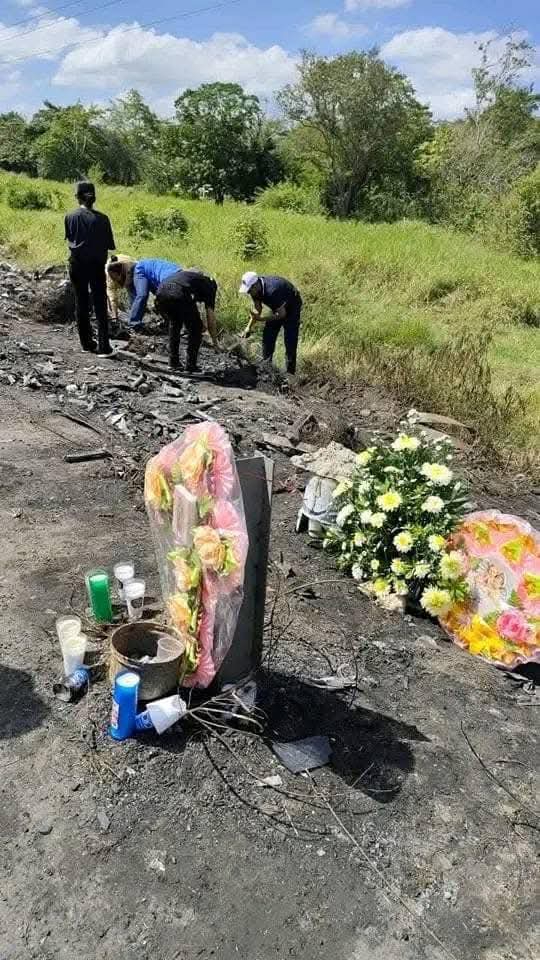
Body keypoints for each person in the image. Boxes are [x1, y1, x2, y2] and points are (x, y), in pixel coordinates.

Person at [64, 181, 115, 355]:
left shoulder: (70, 217)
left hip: (77, 264)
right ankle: (104, 346)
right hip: (96, 265)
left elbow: (70, 239)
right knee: (100, 303)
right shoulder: (103, 218)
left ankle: (86, 343)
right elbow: (109, 245)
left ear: (77, 197)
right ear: (94, 198)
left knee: (81, 301)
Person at [154, 269, 220, 372]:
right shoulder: (210, 286)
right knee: (195, 329)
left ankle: (173, 362)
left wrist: (198, 322)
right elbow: (210, 318)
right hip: (178, 293)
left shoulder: (190, 279)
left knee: (175, 323)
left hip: (160, 291)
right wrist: (215, 343)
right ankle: (191, 365)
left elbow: (191, 308)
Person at [239, 272, 303, 375]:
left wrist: (262, 319)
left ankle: (290, 374)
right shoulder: (255, 291)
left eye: (249, 290)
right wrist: (248, 328)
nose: (249, 293)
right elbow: (257, 310)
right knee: (268, 335)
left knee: (290, 340)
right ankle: (267, 367)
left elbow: (282, 314)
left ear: (255, 285)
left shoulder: (272, 290)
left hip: (292, 306)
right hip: (277, 306)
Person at [108, 258, 183, 330]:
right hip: (181, 276)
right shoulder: (146, 267)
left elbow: (142, 295)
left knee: (160, 303)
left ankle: (134, 323)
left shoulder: (139, 270)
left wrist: (133, 322)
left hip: (170, 280)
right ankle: (173, 324)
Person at [105, 254, 137, 321]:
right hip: (124, 275)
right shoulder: (110, 280)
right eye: (114, 278)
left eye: (117, 277)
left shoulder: (131, 265)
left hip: (132, 273)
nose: (116, 279)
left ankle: (136, 314)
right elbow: (113, 298)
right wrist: (115, 315)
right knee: (110, 298)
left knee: (134, 295)